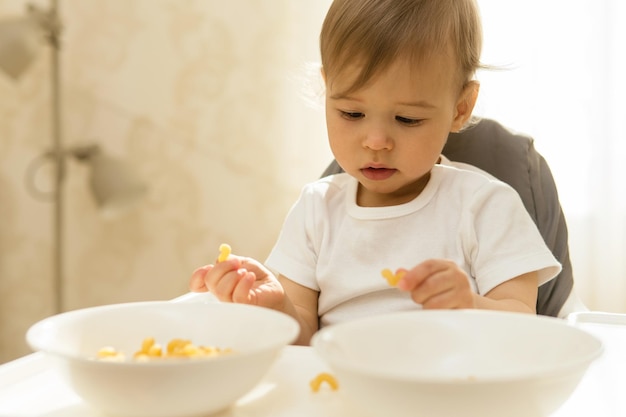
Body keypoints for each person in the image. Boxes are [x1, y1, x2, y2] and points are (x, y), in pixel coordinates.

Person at [189, 0, 561, 345]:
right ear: (327, 92)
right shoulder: (316, 210)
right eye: (352, 114)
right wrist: (273, 307)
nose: (376, 141)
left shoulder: (484, 206)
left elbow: (525, 328)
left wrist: (470, 307)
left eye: (407, 119)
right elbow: (303, 336)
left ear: (460, 108)